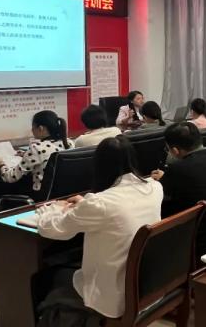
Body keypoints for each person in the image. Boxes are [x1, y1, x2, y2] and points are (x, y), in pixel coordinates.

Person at [35, 136, 163, 323]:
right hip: (148, 283)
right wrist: (84, 204)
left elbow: (52, 229)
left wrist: (50, 209)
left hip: (114, 294)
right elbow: (117, 206)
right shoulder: (155, 187)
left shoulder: (100, 203)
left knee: (46, 276)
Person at [151, 122, 206, 256]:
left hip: (198, 236)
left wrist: (165, 177)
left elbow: (163, 193)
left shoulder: (178, 169)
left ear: (175, 151)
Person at [0, 110, 74, 191]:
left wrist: (1, 164)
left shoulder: (37, 148)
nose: (32, 130)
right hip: (63, 191)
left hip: (39, 194)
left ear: (41, 128)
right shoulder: (68, 143)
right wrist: (26, 154)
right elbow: (48, 154)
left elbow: (10, 177)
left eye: (33, 127)